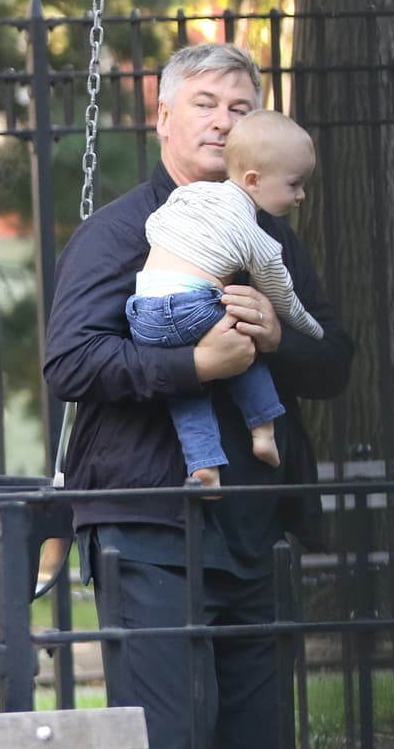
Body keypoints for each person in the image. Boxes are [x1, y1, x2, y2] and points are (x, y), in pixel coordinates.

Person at [44, 42, 355, 749]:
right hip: (148, 517)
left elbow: (334, 361)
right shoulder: (120, 231)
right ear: (165, 115)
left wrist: (276, 336)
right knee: (168, 739)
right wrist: (195, 366)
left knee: (257, 746)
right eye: (207, 102)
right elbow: (72, 363)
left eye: (241, 104)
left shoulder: (266, 231)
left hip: (251, 521)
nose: (224, 118)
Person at [128, 109, 324, 490]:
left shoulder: (189, 195)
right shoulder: (256, 236)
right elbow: (283, 298)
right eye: (294, 184)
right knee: (244, 341)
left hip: (142, 311)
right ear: (253, 180)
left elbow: (154, 226)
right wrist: (311, 329)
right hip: (192, 307)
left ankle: (204, 466)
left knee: (188, 380)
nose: (301, 196)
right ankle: (264, 430)